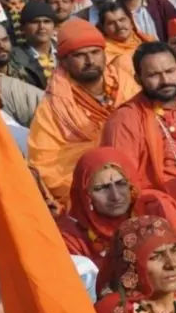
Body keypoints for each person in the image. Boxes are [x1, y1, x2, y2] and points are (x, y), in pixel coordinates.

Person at [28, 18, 141, 210]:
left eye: (95, 52)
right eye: (80, 55)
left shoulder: (125, 84)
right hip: (91, 190)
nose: (90, 61)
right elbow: (45, 164)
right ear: (63, 61)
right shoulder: (53, 105)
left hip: (138, 175)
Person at [102, 42, 176, 217]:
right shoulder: (125, 120)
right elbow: (123, 183)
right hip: (165, 217)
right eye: (154, 75)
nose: (165, 81)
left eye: (170, 71)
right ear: (138, 79)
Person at [59, 145, 176, 260]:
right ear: (86, 196)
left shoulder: (154, 207)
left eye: (121, 184)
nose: (116, 196)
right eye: (102, 188)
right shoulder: (73, 237)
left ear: (131, 184)